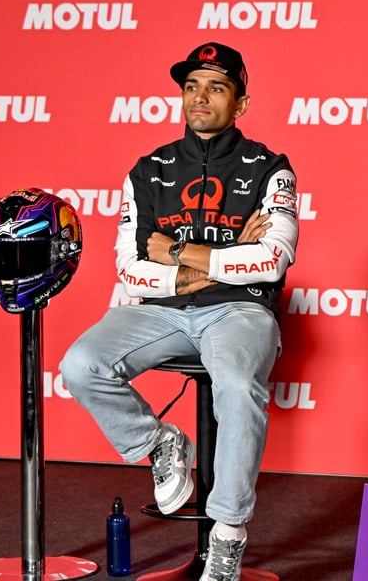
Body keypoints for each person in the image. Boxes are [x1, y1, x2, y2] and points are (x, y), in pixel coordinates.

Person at [60, 42, 298, 581]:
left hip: (240, 310)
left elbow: (272, 261)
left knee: (235, 385)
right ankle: (158, 442)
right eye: (191, 87)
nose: (199, 98)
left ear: (240, 103)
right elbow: (130, 270)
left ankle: (227, 536)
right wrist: (230, 253)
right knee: (81, 363)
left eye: (216, 87)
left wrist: (175, 250)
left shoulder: (271, 168)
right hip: (161, 312)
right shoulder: (148, 170)